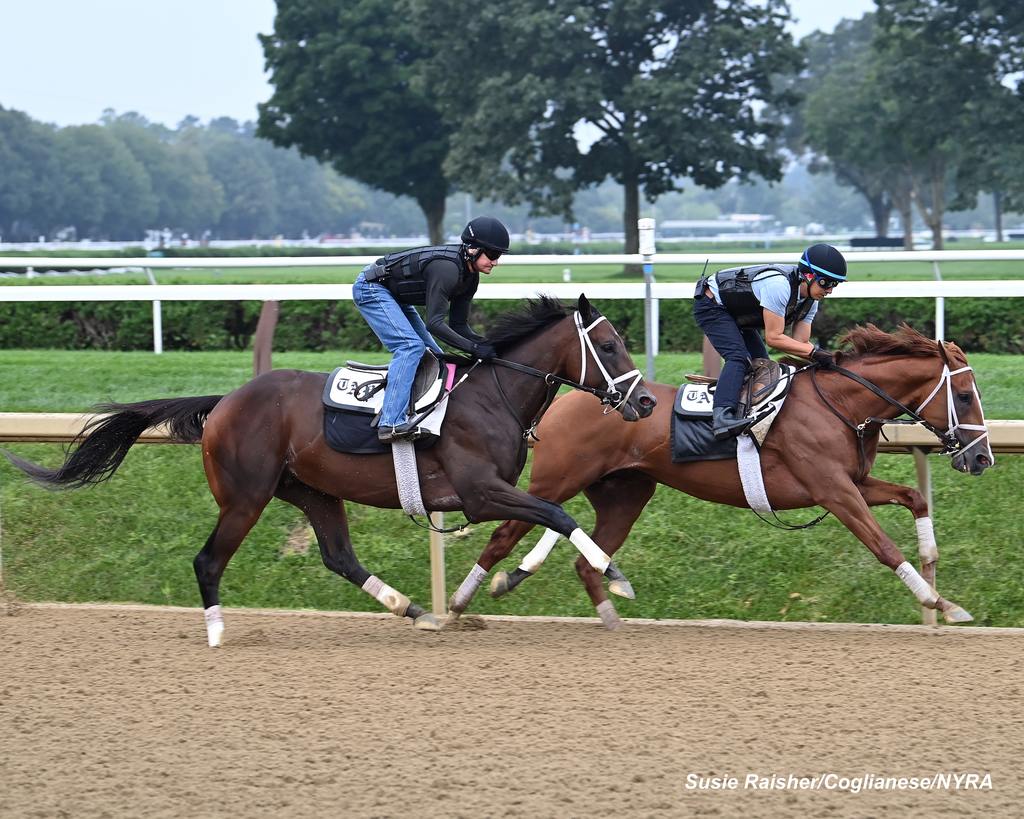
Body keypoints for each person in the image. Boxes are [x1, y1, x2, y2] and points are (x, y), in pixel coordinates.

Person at [353, 216, 510, 443]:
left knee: (435, 356)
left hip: (395, 296)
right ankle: (390, 423)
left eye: (499, 257)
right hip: (371, 288)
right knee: (410, 347)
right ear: (473, 249)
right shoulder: (447, 270)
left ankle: (416, 411)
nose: (496, 262)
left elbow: (458, 326)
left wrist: (486, 345)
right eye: (493, 255)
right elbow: (434, 323)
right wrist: (475, 349)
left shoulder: (470, 277)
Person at [693, 243, 847, 441]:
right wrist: (814, 353)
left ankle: (746, 411)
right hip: (712, 305)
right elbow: (774, 338)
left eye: (835, 284)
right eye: (826, 283)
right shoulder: (779, 286)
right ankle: (721, 418)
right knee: (739, 358)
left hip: (738, 314)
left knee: (763, 364)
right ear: (808, 275)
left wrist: (829, 360)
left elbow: (801, 343)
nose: (830, 291)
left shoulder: (811, 302)